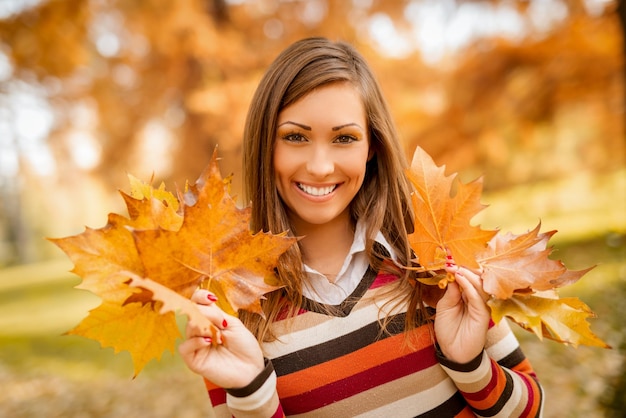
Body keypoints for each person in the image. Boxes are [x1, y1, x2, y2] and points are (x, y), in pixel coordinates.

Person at [179, 37, 543, 417]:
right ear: (265, 145)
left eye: (344, 138)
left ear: (371, 147)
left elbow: (531, 411)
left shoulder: (434, 263)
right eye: (295, 137)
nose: (320, 166)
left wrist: (469, 366)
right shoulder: (235, 305)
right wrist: (253, 394)